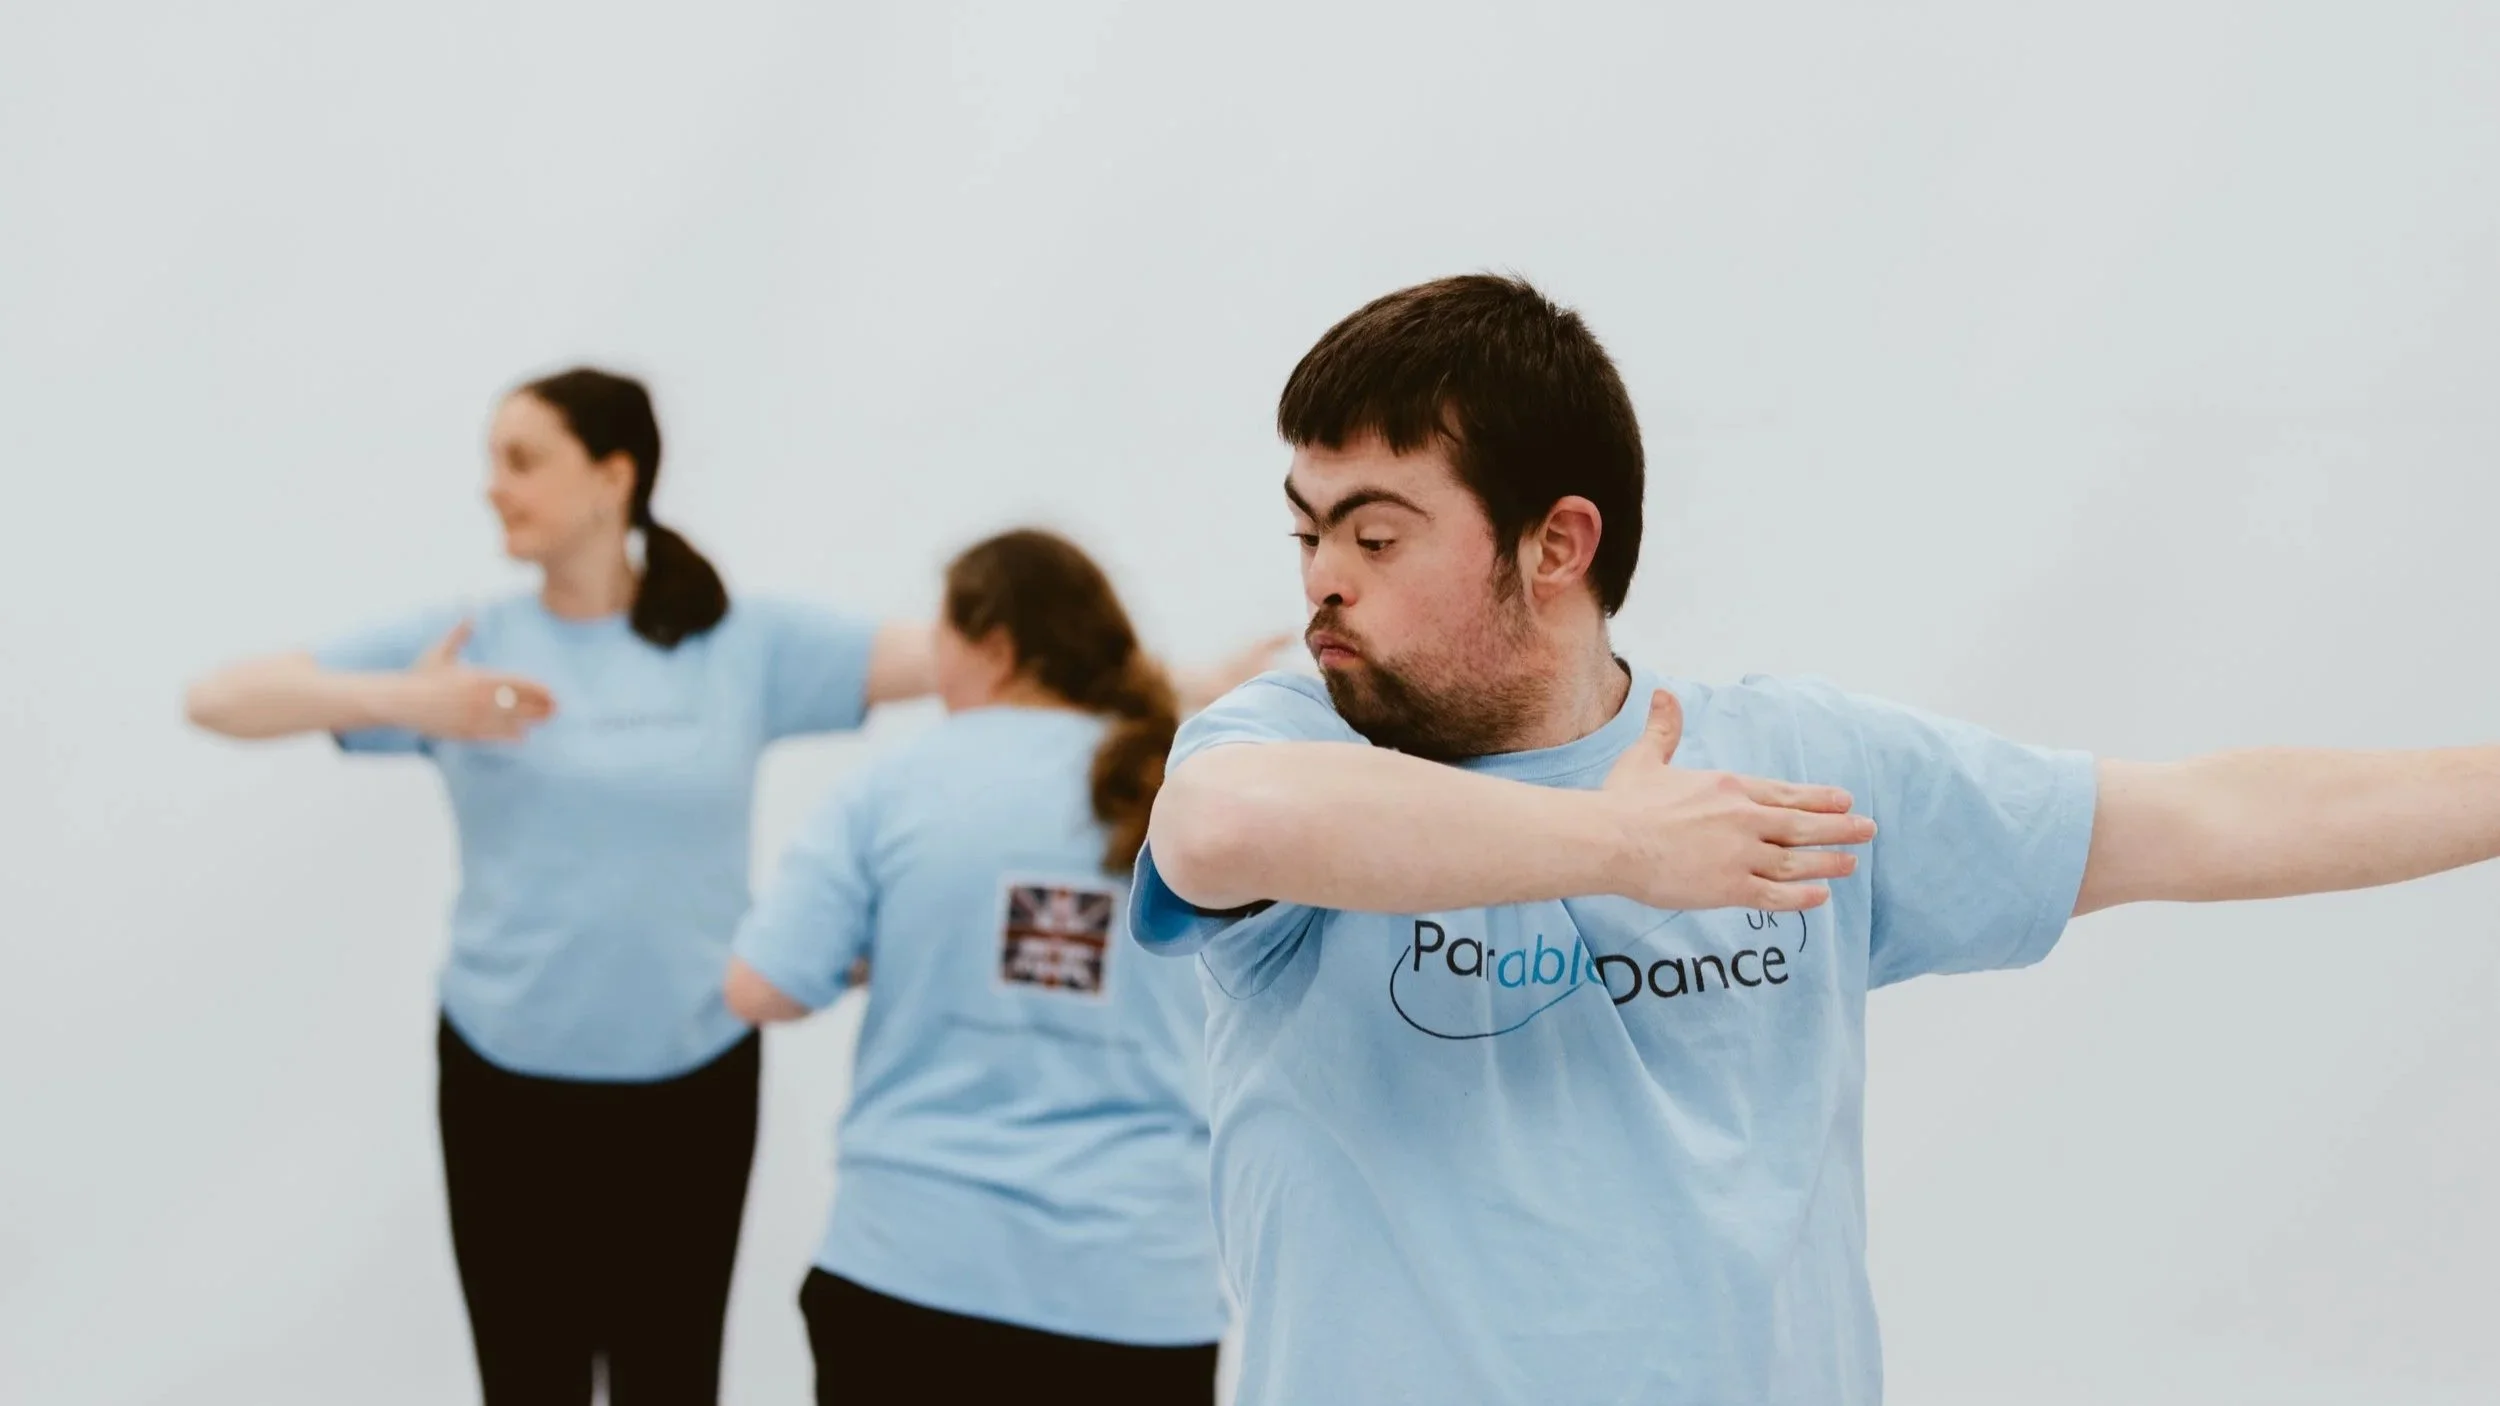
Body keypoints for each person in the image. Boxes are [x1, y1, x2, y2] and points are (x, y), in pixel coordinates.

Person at [1128, 275, 2500, 1406]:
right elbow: (1220, 825)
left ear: (1556, 546)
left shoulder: (1790, 764)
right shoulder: (1292, 744)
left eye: (1374, 536)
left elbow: (2205, 816)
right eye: (1308, 533)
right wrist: (1616, 846)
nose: (1322, 578)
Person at [182, 367, 941, 1405]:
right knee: (527, 1382)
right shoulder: (468, 645)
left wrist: (1141, 680)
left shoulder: (740, 641)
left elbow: (958, 659)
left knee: (671, 1380)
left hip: (694, 1083)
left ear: (612, 477)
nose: (492, 486)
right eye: (492, 460)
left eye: (522, 460)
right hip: (504, 1083)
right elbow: (218, 699)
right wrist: (411, 699)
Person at [723, 528, 1271, 1405]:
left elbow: (760, 988)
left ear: (997, 647)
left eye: (941, 641)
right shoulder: (1185, 787)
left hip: (913, 1270)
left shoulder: (893, 787)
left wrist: (877, 952)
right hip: (1133, 1291)